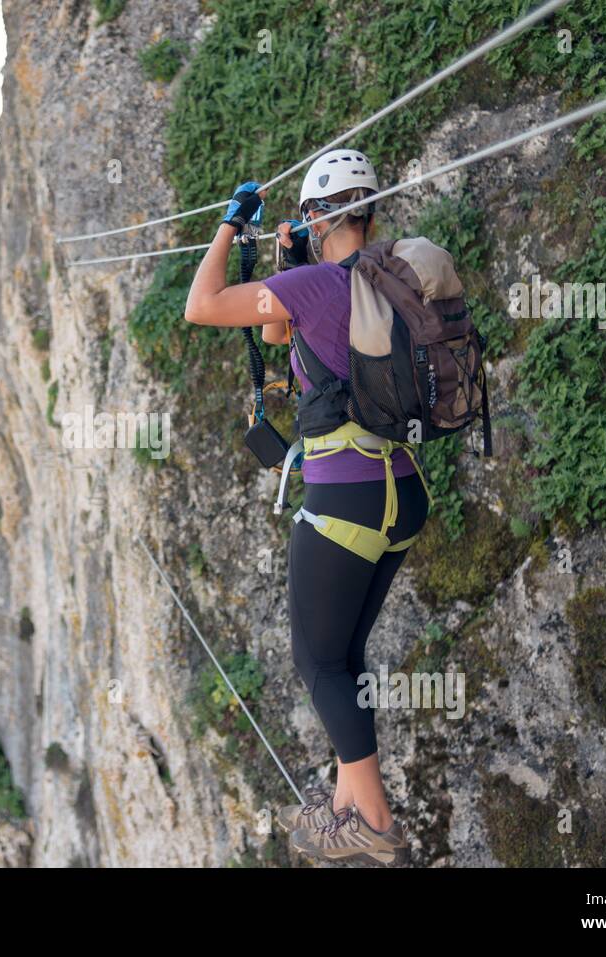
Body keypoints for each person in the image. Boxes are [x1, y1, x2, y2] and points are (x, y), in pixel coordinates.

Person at [184, 150, 431, 866]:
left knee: (317, 660)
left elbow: (203, 304)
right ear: (372, 212)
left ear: (321, 215)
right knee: (344, 654)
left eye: (310, 216)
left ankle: (374, 822)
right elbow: (276, 335)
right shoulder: (386, 281)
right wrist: (287, 259)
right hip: (402, 493)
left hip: (346, 497)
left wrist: (231, 230)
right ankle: (348, 807)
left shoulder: (320, 284)